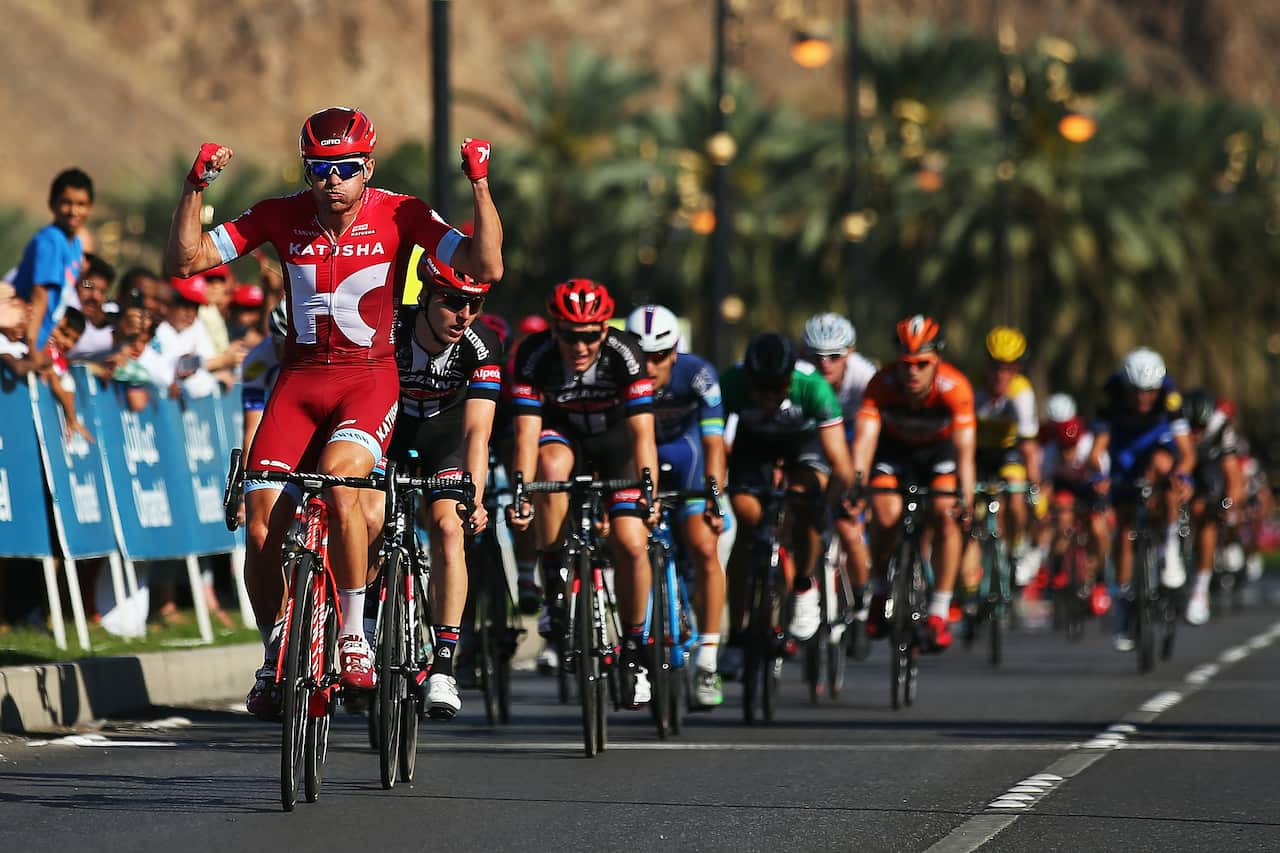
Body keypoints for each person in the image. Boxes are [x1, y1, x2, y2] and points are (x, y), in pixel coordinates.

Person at [164, 106, 503, 720]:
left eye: (345, 168)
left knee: (343, 488)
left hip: (367, 380)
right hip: (298, 382)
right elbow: (186, 262)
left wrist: (478, 185)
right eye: (319, 169)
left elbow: (486, 267)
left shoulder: (402, 212)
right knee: (261, 525)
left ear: (368, 167)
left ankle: (352, 632)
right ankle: (274, 655)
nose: (332, 181)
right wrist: (194, 188)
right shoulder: (280, 214)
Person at [507, 279, 658, 709]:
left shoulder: (625, 353)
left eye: (590, 336)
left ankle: (633, 651)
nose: (580, 346)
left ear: (604, 331)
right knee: (550, 466)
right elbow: (526, 436)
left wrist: (650, 493)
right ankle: (555, 579)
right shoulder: (534, 355)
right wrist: (521, 492)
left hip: (616, 444)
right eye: (570, 335)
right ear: (554, 329)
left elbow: (643, 434)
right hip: (563, 438)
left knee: (631, 544)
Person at [387, 254, 502, 718]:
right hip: (389, 433)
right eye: (453, 302)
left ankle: (443, 667)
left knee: (449, 528)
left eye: (474, 304)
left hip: (446, 441)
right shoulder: (390, 328)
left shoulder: (480, 344)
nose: (464, 315)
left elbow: (477, 433)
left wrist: (475, 496)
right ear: (425, 297)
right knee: (366, 515)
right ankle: (365, 627)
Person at [720, 333, 853, 677]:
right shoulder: (731, 383)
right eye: (759, 389)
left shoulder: (812, 387)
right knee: (747, 522)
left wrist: (828, 506)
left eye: (776, 388)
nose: (767, 396)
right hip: (753, 448)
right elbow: (713, 445)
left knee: (805, 502)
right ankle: (736, 635)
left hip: (802, 446)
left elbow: (841, 465)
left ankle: (804, 585)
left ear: (789, 379)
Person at [850, 315, 976, 652]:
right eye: (906, 364)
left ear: (937, 360)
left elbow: (965, 452)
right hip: (894, 452)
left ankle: (939, 612)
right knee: (885, 514)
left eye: (922, 364)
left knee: (945, 514)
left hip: (938, 454)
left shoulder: (955, 387)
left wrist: (966, 497)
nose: (913, 373)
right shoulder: (881, 384)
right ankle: (880, 590)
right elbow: (864, 439)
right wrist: (857, 482)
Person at [625, 304, 729, 708]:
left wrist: (714, 495)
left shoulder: (698, 373)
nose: (650, 367)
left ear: (675, 352)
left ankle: (708, 660)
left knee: (704, 546)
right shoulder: (620, 373)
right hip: (638, 457)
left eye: (660, 357)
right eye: (643, 357)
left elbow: (713, 442)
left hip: (687, 458)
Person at [1086, 347, 1193, 652]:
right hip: (1124, 450)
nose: (1144, 399)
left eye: (1150, 392)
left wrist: (1182, 475)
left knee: (1165, 472)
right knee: (1124, 528)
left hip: (1157, 442)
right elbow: (1097, 450)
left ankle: (1170, 549)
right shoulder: (1110, 394)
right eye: (1136, 392)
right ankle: (1123, 609)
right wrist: (1100, 475)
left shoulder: (1170, 396)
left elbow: (1186, 451)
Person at [801, 312, 877, 639]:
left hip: (854, 441)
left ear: (850, 352)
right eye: (817, 356)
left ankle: (861, 601)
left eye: (834, 356)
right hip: (817, 440)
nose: (825, 364)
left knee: (848, 526)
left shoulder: (865, 377)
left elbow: (867, 440)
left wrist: (859, 487)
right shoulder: (801, 376)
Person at [964, 326, 1043, 596]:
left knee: (1015, 493)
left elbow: (1028, 446)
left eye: (1010, 368)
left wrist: (1035, 485)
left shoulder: (1022, 392)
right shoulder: (972, 387)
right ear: (986, 364)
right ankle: (969, 584)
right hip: (976, 452)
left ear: (1019, 368)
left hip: (1008, 452)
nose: (1001, 375)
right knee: (970, 514)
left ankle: (1016, 547)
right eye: (995, 367)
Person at [1181, 390, 1245, 626]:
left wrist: (1227, 505)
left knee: (1204, 512)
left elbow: (1233, 475)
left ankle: (1200, 589)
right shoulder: (1174, 425)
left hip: (1209, 469)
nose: (1196, 434)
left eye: (1201, 428)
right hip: (1182, 462)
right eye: (1191, 428)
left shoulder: (1221, 428)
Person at [12, 168, 93, 348]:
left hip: (38, 340)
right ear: (52, 204)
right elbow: (40, 296)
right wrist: (33, 347)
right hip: (19, 339)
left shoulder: (75, 245)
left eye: (81, 204)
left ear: (90, 208)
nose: (73, 211)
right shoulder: (51, 240)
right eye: (66, 203)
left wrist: (90, 286)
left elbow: (74, 285)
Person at [66, 254, 117, 361]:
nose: (95, 297)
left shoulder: (102, 320)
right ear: (78, 282)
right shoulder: (65, 303)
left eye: (102, 292)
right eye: (88, 286)